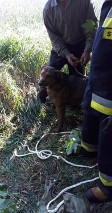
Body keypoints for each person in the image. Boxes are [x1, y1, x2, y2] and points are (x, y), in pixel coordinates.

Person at [80, 0, 112, 203]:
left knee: (110, 124)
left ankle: (108, 186)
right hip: (100, 76)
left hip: (107, 81)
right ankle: (89, 147)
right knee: (93, 104)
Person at [38, 0, 97, 103]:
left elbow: (91, 28)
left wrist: (87, 50)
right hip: (60, 47)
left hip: (80, 45)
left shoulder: (84, 2)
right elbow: (54, 38)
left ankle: (71, 102)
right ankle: (44, 101)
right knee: (49, 73)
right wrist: (66, 54)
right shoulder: (48, 9)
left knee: (78, 83)